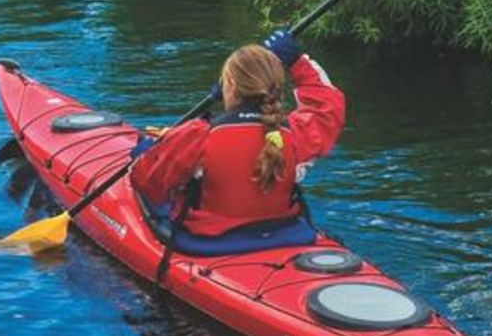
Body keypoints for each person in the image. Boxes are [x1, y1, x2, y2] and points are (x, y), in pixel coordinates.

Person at [128, 28, 346, 253]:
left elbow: (147, 183)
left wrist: (148, 153)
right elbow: (327, 108)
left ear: (229, 86)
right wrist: (298, 63)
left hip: (210, 242)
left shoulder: (197, 135)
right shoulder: (294, 134)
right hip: (284, 234)